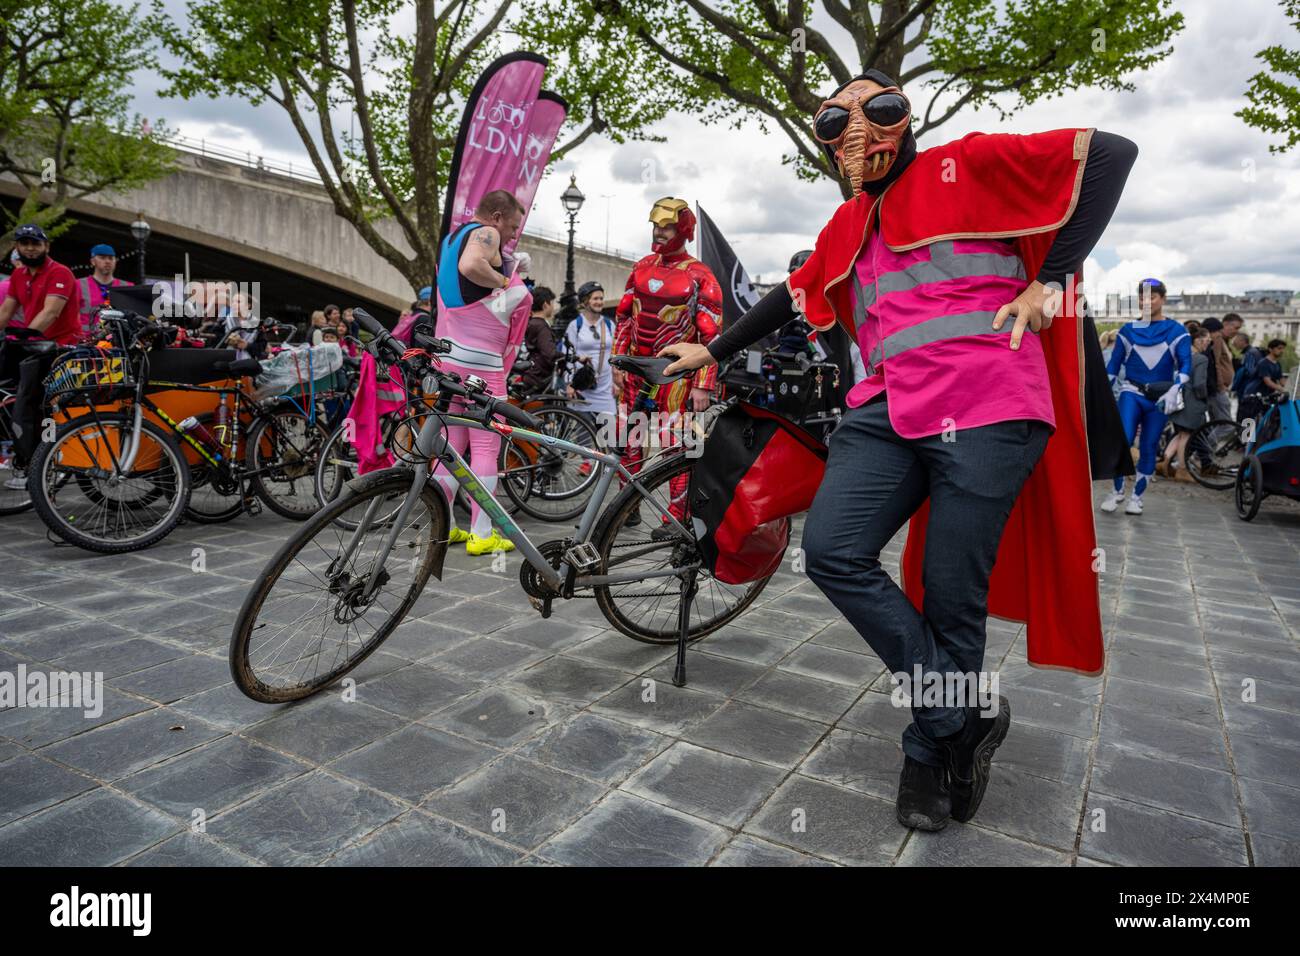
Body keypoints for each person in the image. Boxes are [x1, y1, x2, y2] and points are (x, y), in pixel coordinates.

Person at [662, 70, 1133, 832]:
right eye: (834, 118)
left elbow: (1111, 153)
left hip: (990, 403)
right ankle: (961, 720)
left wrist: (1049, 279)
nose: (857, 126)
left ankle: (926, 749)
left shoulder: (971, 162)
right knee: (832, 550)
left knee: (951, 595)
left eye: (876, 106)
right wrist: (710, 350)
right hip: (885, 407)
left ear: (903, 116)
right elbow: (793, 292)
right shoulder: (847, 222)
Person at [431, 189, 532, 555]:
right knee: (486, 446)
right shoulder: (485, 233)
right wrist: (509, 282)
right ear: (498, 216)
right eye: (513, 227)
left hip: (450, 355)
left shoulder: (451, 238)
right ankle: (482, 533)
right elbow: (472, 267)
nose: (511, 236)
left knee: (452, 444)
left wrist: (506, 266)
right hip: (482, 362)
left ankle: (443, 526)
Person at [612, 198, 723, 532]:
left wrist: (705, 382)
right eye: (656, 226)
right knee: (625, 440)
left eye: (667, 226)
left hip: (675, 373)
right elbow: (624, 317)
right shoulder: (641, 266)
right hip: (634, 370)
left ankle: (676, 517)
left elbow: (712, 333)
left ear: (684, 230)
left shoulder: (699, 274)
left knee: (674, 444)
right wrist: (617, 362)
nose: (659, 232)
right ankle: (625, 509)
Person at [0, 224, 84, 489]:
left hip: (60, 348)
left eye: (35, 243)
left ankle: (41, 462)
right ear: (17, 247)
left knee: (37, 403)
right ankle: (28, 455)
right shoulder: (19, 275)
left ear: (46, 246)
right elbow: (6, 311)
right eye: (24, 243)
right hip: (33, 347)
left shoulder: (60, 272)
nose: (30, 248)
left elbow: (51, 312)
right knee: (15, 400)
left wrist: (26, 335)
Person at [1101, 278, 1192, 516]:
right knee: (1124, 440)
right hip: (1131, 391)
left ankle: (1137, 498)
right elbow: (1113, 365)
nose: (1146, 302)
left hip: (1161, 397)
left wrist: (1176, 388)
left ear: (1162, 298)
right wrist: (1101, 391)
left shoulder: (1177, 331)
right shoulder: (1128, 330)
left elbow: (1185, 366)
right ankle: (1117, 491)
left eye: (1151, 297)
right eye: (1142, 297)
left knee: (1150, 445)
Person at [565, 282, 618, 434]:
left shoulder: (609, 325)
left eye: (601, 298)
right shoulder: (576, 325)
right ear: (585, 301)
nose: (600, 302)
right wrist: (570, 383)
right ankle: (587, 460)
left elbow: (615, 354)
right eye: (595, 298)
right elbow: (568, 356)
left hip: (605, 390)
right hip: (582, 389)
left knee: (608, 438)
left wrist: (617, 381)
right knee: (584, 439)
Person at [1160, 326, 1211, 481]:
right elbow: (1199, 384)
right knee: (1187, 435)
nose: (1208, 344)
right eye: (1207, 340)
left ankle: (1164, 462)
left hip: (1177, 398)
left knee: (1181, 434)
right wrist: (1204, 399)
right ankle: (1182, 470)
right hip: (1192, 401)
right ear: (1199, 340)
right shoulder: (1201, 359)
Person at [77, 244, 128, 336]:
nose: (107, 261)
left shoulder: (127, 286)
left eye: (111, 258)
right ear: (93, 261)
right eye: (102, 258)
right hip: (86, 342)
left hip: (118, 343)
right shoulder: (78, 285)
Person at [515, 285, 557, 395]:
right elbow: (549, 353)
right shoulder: (541, 326)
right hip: (538, 376)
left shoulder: (529, 323)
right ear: (545, 305)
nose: (553, 306)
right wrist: (569, 357)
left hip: (528, 373)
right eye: (552, 303)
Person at [1237, 338, 1288, 424]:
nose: (1282, 351)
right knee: (1250, 423)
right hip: (1254, 396)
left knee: (1265, 422)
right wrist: (1282, 389)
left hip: (1266, 397)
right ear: (1270, 349)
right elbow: (1267, 381)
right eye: (1279, 348)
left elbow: (1281, 379)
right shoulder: (1264, 363)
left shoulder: (1277, 364)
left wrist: (1291, 387)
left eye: (1283, 348)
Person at [1202, 317, 1234, 422]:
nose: (1220, 334)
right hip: (1217, 388)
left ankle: (1208, 438)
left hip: (1218, 388)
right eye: (1218, 332)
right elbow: (1216, 364)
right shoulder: (1215, 342)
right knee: (1226, 425)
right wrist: (1220, 385)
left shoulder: (1213, 342)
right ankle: (1209, 439)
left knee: (1215, 422)